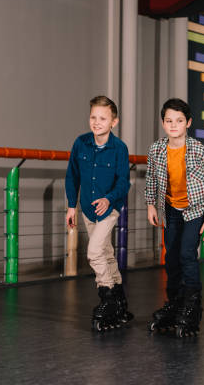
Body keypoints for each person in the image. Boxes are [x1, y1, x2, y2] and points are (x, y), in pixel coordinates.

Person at [145, 98, 204, 337]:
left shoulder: (199, 150)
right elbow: (151, 179)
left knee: (187, 253)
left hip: (195, 210)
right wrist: (150, 204)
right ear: (163, 123)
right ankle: (175, 301)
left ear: (188, 122)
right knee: (172, 258)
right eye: (169, 121)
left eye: (179, 121)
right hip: (170, 210)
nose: (173, 125)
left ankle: (192, 305)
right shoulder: (156, 149)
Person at [65, 95, 133, 330]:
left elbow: (124, 182)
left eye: (102, 118)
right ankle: (120, 300)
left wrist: (109, 199)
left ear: (114, 122)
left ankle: (107, 297)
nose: (96, 122)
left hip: (110, 209)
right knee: (106, 252)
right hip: (87, 208)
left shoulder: (119, 149)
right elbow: (72, 176)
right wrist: (71, 206)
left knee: (94, 252)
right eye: (93, 117)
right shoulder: (80, 143)